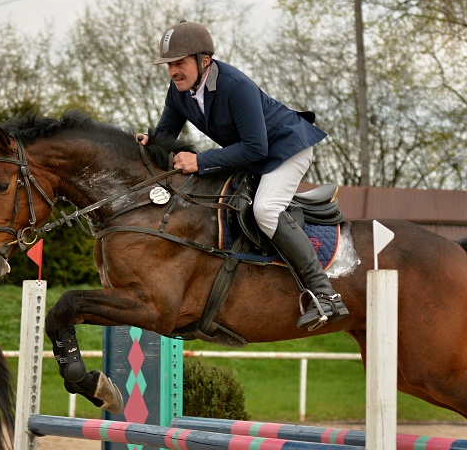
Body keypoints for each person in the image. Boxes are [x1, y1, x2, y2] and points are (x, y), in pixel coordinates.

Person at [136, 21, 349, 330]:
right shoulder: (179, 91)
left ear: (204, 60)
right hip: (252, 152)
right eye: (169, 65)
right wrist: (148, 144)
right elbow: (165, 137)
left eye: (179, 63)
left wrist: (200, 161)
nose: (173, 71)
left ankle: (325, 294)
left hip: (286, 148)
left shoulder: (235, 86)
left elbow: (256, 148)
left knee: (265, 210)